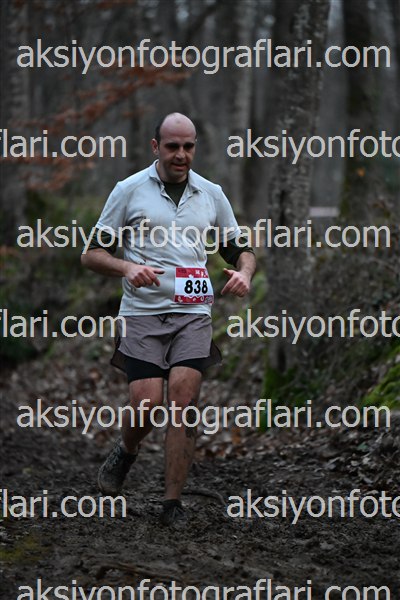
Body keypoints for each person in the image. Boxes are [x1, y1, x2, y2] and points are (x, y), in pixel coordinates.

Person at [81, 112, 256, 525]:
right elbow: (91, 254)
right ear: (155, 146)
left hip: (193, 313)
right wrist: (127, 268)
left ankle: (172, 502)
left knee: (183, 400)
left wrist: (245, 273)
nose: (181, 154)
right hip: (142, 313)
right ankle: (127, 450)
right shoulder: (128, 190)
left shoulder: (211, 194)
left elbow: (240, 248)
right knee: (146, 403)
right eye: (173, 146)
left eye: (188, 146)